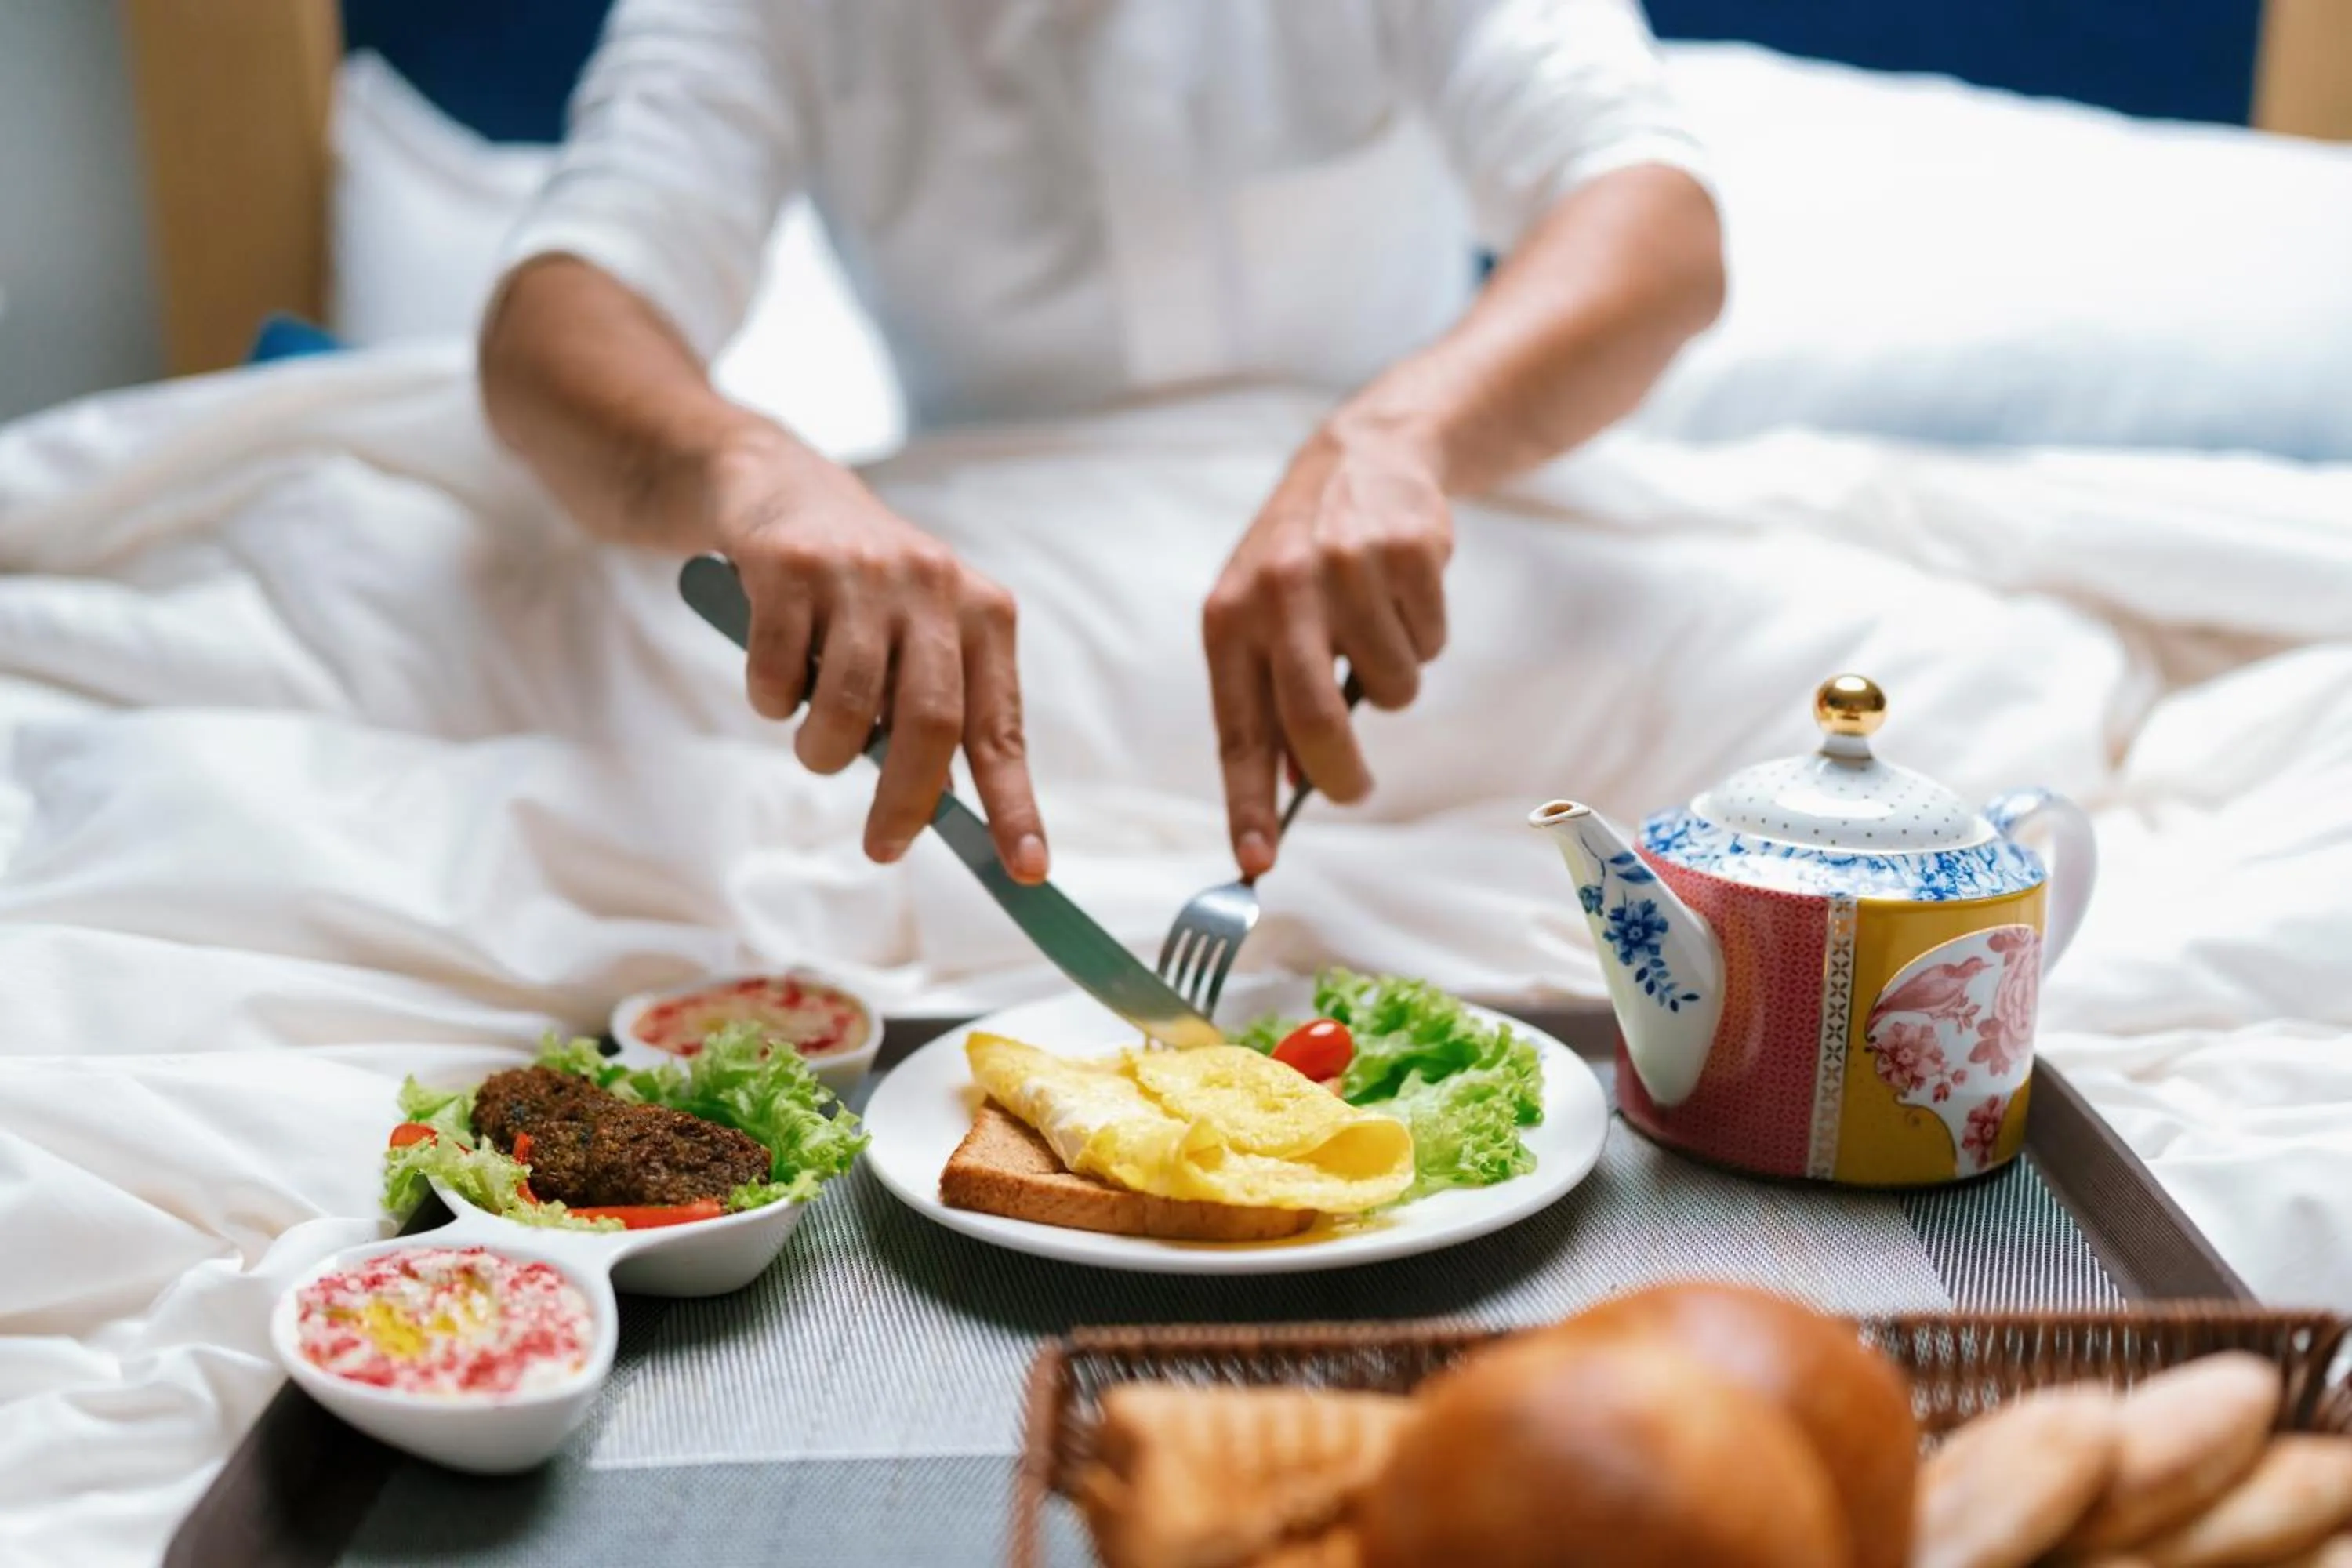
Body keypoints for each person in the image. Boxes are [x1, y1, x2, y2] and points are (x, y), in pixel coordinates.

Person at [480, 0, 1723, 887]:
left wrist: (1402, 432)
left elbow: (1658, 220)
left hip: (1414, 576)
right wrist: (756, 470)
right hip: (1002, 593)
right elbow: (557, 313)